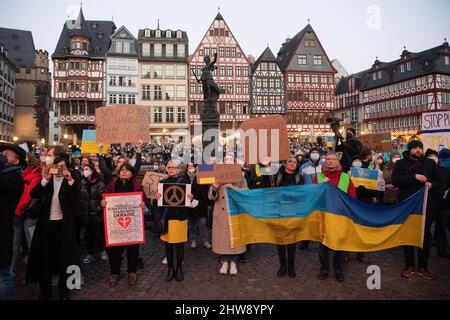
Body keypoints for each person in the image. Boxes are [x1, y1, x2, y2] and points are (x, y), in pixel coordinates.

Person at [26, 156, 81, 300]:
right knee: (45, 259)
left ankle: (64, 292)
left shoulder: (70, 182)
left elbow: (76, 201)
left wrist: (70, 180)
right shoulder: (47, 181)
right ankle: (46, 293)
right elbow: (33, 194)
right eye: (57, 166)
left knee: (66, 259)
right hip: (46, 226)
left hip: (63, 226)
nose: (59, 169)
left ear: (67, 168)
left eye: (63, 167)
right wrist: (44, 179)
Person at [392, 140, 441, 280]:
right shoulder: (401, 163)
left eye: (420, 148)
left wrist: (432, 184)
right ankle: (409, 265)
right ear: (409, 149)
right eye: (415, 148)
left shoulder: (430, 163)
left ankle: (423, 266)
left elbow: (440, 181)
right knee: (408, 235)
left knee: (425, 236)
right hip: (407, 206)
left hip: (426, 206)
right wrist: (414, 177)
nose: (418, 150)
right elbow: (396, 181)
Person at [313, 152, 356, 282]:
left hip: (340, 216)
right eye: (328, 159)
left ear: (338, 162)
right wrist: (321, 187)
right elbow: (313, 196)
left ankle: (338, 269)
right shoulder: (318, 177)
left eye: (333, 159)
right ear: (325, 162)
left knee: (340, 244)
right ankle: (324, 269)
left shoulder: (345, 177)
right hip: (324, 215)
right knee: (323, 244)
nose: (330, 161)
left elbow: (352, 196)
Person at [101, 164, 146, 287]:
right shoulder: (112, 185)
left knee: (133, 251)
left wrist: (143, 204)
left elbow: (144, 199)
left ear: (132, 173)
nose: (124, 172)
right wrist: (103, 202)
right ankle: (114, 274)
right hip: (116, 225)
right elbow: (104, 196)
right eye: (122, 170)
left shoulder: (137, 186)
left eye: (127, 170)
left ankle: (132, 273)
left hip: (133, 225)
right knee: (114, 251)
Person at [208, 154, 247, 276]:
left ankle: (234, 263)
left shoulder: (240, 176)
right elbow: (210, 196)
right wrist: (214, 187)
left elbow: (247, 192)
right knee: (223, 239)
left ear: (234, 162)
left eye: (230, 159)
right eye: (225, 159)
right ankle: (224, 262)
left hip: (235, 211)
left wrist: (234, 187)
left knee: (235, 238)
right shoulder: (217, 175)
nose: (228, 161)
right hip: (221, 212)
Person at [155, 160, 193, 282]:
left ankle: (179, 269)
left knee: (180, 246)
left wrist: (190, 198)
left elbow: (188, 202)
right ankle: (170, 269)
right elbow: (158, 204)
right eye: (169, 167)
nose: (171, 169)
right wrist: (156, 199)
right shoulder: (162, 183)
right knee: (169, 246)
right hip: (167, 218)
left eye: (174, 167)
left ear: (179, 169)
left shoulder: (185, 183)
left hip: (180, 218)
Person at [0, 143, 25, 300]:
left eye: (6, 154)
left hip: (2, 229)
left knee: (3, 275)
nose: (2, 156)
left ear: (16, 161)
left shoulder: (15, 177)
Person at [272, 157, 303, 278]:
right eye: (290, 161)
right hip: (279, 211)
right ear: (285, 164)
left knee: (292, 240)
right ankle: (282, 265)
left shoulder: (299, 177)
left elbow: (302, 193)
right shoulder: (276, 175)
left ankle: (291, 266)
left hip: (293, 212)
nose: (292, 163)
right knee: (280, 239)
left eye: (295, 162)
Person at [12, 152, 42, 277]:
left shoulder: (35, 174)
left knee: (30, 241)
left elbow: (29, 194)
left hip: (28, 212)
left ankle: (35, 270)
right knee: (16, 240)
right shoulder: (26, 172)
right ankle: (12, 266)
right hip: (21, 211)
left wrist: (19, 208)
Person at [79, 163, 107, 264]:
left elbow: (103, 198)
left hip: (96, 213)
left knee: (99, 234)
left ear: (91, 170)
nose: (85, 171)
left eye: (87, 169)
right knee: (88, 235)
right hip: (85, 214)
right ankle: (89, 253)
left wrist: (98, 208)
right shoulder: (81, 183)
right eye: (84, 169)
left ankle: (102, 251)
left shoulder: (99, 183)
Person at [425, 149, 450, 259]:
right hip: (428, 204)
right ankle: (426, 251)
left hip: (443, 204)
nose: (433, 158)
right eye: (430, 156)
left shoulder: (445, 171)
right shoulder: (423, 171)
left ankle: (442, 248)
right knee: (426, 228)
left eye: (435, 156)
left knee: (441, 228)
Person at [185, 162, 212, 250]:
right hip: (189, 205)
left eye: (192, 166)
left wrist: (208, 203)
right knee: (191, 224)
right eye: (189, 166)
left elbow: (206, 189)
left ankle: (205, 240)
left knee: (203, 224)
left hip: (200, 204)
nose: (190, 167)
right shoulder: (184, 177)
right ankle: (193, 239)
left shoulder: (202, 176)